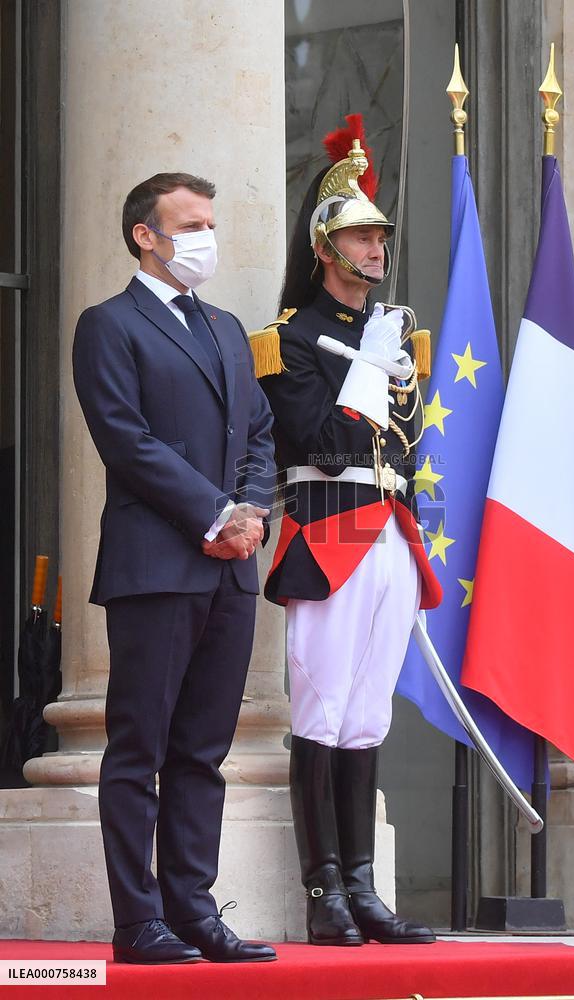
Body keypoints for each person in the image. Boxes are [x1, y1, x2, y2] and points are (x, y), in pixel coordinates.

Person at [73, 172, 277, 965]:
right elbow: (126, 442)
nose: (206, 238)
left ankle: (194, 909)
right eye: (189, 224)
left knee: (204, 750)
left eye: (209, 223)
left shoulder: (225, 328)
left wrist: (252, 512)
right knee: (140, 747)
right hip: (157, 565)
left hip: (229, 571)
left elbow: (259, 432)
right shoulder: (109, 325)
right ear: (144, 236)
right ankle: (139, 920)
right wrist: (215, 514)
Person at [255, 116, 442, 947]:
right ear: (325, 247)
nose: (376, 248)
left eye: (379, 235)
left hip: (391, 529)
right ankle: (321, 889)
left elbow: (403, 446)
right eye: (361, 236)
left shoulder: (393, 337)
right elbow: (323, 443)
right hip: (328, 530)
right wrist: (367, 361)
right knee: (321, 708)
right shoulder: (289, 340)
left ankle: (363, 888)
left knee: (367, 715)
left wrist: (383, 356)